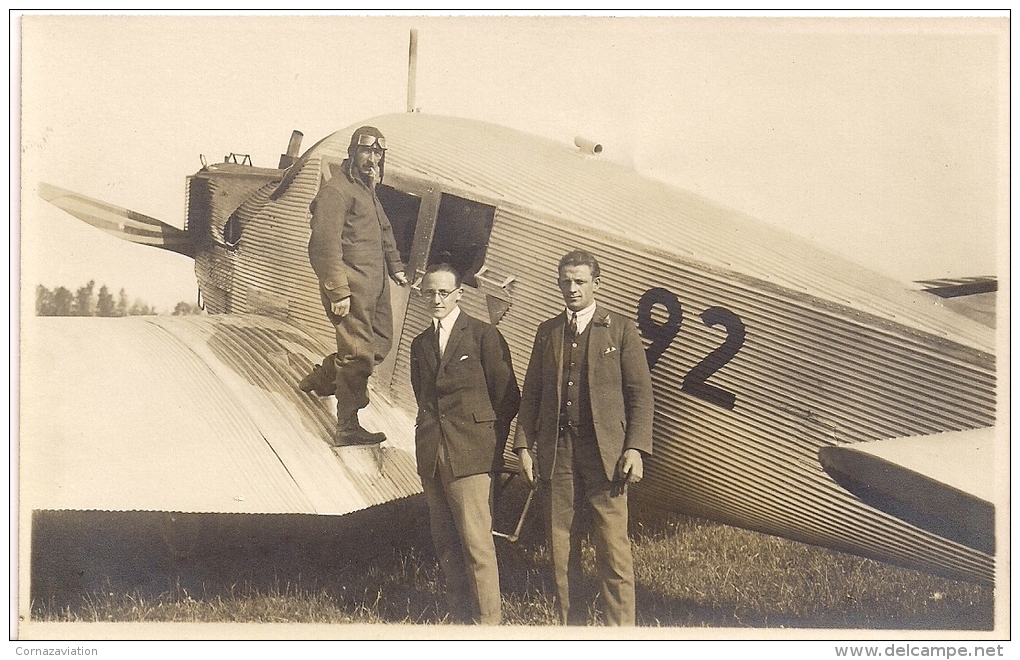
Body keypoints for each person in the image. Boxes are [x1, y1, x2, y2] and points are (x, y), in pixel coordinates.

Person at [514, 249, 654, 626]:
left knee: (613, 550)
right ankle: (571, 632)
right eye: (565, 281)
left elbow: (641, 394)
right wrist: (524, 445)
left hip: (606, 455)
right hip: (558, 454)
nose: (571, 288)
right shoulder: (548, 331)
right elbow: (532, 394)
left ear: (596, 283)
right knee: (561, 549)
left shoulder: (620, 329)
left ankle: (620, 636)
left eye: (579, 281)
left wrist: (636, 449)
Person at [409, 263, 521, 624]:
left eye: (444, 292)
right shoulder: (420, 343)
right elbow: (423, 397)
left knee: (477, 546)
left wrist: (488, 447)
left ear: (459, 294)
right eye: (430, 292)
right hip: (433, 454)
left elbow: (507, 398)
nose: (437, 299)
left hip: (472, 455)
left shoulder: (484, 336)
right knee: (445, 544)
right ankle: (459, 623)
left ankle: (489, 628)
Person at [301, 125, 408, 446]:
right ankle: (347, 426)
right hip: (350, 288)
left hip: (374, 286)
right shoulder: (336, 191)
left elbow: (384, 230)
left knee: (380, 344)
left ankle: (322, 379)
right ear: (352, 152)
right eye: (366, 151)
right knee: (359, 354)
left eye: (377, 153)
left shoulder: (366, 189)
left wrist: (397, 269)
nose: (371, 158)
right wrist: (337, 291)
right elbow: (323, 245)